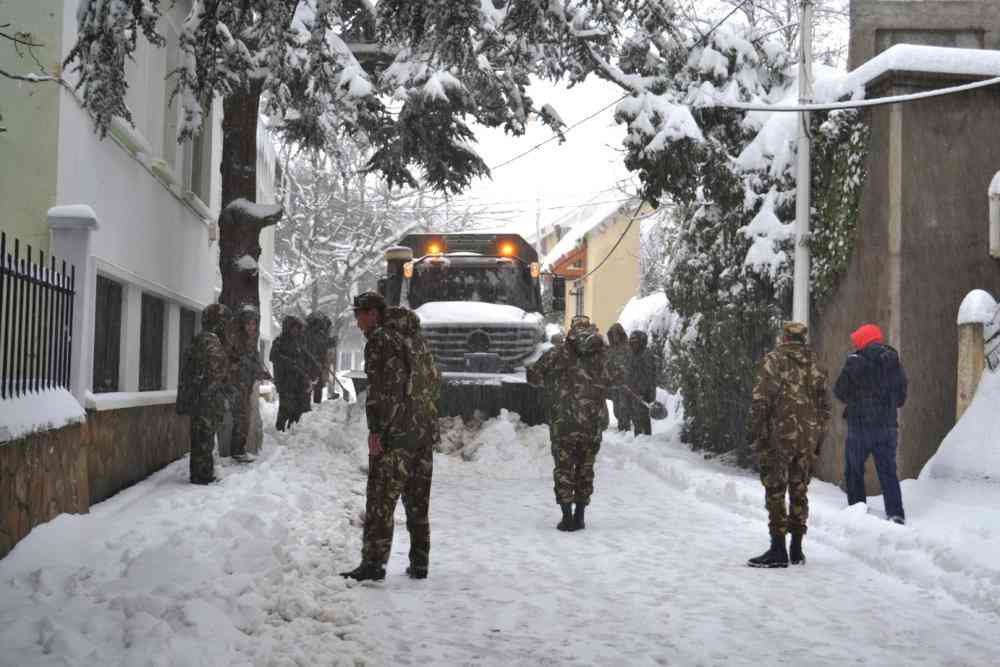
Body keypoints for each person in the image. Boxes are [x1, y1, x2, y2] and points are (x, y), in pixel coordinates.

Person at [341, 292, 416, 582]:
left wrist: (378, 431)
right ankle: (373, 562)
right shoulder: (396, 339)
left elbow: (386, 391)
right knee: (382, 499)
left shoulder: (381, 341)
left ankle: (373, 565)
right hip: (399, 428)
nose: (357, 320)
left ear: (373, 313)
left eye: (360, 314)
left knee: (379, 500)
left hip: (390, 432)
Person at [747, 322, 830, 568]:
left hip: (778, 437)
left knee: (775, 489)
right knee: (799, 489)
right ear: (804, 338)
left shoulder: (773, 360)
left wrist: (754, 431)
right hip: (807, 439)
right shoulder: (816, 363)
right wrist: (817, 437)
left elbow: (761, 400)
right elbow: (826, 407)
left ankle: (778, 548)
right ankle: (797, 549)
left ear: (784, 337)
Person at [528, 316, 615, 531]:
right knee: (585, 469)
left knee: (564, 468)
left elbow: (533, 377)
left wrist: (550, 384)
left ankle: (566, 517)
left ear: (571, 332)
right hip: (592, 424)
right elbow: (617, 380)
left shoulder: (556, 354)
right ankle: (580, 515)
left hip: (563, 423)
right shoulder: (603, 355)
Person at [386, 306, 441, 580]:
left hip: (402, 436)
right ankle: (420, 562)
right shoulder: (424, 349)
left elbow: (391, 392)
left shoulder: (395, 349)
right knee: (420, 503)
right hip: (425, 434)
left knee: (388, 499)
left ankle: (376, 561)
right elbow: (435, 385)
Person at [834, 323, 908, 525]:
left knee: (854, 471)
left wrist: (857, 397)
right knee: (888, 472)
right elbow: (901, 398)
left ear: (862, 341)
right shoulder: (893, 361)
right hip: (887, 428)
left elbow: (839, 392)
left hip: (860, 427)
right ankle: (896, 514)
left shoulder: (854, 362)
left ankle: (857, 511)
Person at [176, 304, 233, 485]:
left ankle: (203, 473)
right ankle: (202, 476)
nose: (227, 327)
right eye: (225, 323)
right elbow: (213, 373)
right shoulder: (210, 342)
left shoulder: (203, 340)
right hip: (206, 401)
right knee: (204, 439)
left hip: (202, 399)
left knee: (203, 438)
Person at [228, 305, 271, 462]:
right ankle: (237, 451)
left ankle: (240, 449)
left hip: (247, 384)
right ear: (242, 324)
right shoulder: (235, 340)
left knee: (244, 418)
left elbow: (254, 362)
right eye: (248, 324)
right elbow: (233, 362)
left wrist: (262, 372)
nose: (251, 327)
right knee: (240, 417)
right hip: (236, 385)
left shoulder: (251, 342)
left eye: (254, 324)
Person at [269, 315, 318, 431]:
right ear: (287, 328)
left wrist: (313, 367)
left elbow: (306, 357)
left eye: (297, 328)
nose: (296, 330)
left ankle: (293, 430)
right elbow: (273, 357)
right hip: (285, 381)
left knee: (298, 408)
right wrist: (290, 363)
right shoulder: (279, 341)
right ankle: (279, 431)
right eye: (293, 328)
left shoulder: (298, 342)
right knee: (285, 408)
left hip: (298, 381)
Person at [625, 330, 659, 436]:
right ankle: (639, 439)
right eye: (632, 342)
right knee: (636, 417)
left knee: (642, 417)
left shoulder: (646, 355)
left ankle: (645, 439)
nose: (633, 345)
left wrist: (641, 391)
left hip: (644, 393)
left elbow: (648, 376)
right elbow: (630, 372)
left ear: (641, 342)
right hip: (634, 391)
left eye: (636, 342)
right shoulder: (633, 355)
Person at [305, 311, 337, 404]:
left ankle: (310, 405)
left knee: (313, 385)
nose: (328, 330)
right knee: (316, 386)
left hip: (313, 363)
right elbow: (321, 343)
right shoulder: (318, 334)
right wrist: (332, 342)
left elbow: (322, 344)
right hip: (314, 363)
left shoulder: (310, 332)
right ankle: (313, 405)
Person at [606, 324, 632, 432]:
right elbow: (607, 363)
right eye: (612, 335)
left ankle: (625, 427)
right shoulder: (611, 349)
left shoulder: (628, 347)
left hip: (625, 382)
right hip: (614, 382)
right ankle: (621, 423)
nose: (614, 337)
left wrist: (624, 372)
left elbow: (631, 363)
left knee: (624, 406)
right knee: (616, 408)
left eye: (616, 334)